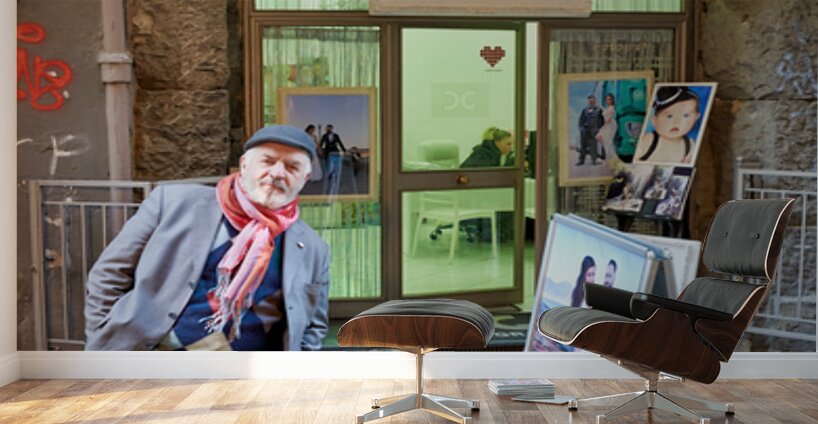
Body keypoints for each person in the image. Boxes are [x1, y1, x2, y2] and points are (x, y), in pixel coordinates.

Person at [84, 125, 330, 351]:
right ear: (244, 165)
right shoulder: (171, 202)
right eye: (268, 161)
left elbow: (313, 327)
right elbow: (108, 275)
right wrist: (103, 339)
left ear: (305, 178)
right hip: (151, 360)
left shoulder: (312, 247)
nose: (277, 173)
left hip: (246, 381)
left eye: (292, 167)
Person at [635, 86, 701, 164]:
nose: (677, 122)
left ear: (696, 117)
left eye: (686, 115)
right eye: (669, 116)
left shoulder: (690, 145)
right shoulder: (649, 140)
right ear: (654, 120)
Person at [576, 95, 604, 166]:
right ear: (588, 101)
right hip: (585, 130)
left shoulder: (598, 109)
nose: (591, 101)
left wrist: (599, 129)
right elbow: (581, 120)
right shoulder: (585, 109)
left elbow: (602, 120)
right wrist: (581, 128)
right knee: (583, 145)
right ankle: (581, 161)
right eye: (589, 100)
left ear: (595, 101)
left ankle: (594, 160)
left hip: (594, 129)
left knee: (593, 145)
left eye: (592, 100)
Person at [320, 124, 347, 194]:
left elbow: (340, 143)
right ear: (326, 129)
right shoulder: (324, 136)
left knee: (335, 165)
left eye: (330, 128)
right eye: (328, 128)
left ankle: (334, 176)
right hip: (327, 152)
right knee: (328, 165)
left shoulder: (336, 135)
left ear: (332, 129)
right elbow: (321, 144)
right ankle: (329, 175)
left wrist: (345, 151)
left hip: (335, 151)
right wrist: (321, 151)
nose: (329, 129)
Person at [595, 94, 618, 161]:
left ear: (612, 100)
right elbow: (605, 113)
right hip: (608, 125)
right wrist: (602, 108)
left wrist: (603, 127)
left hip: (610, 125)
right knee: (603, 140)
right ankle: (611, 157)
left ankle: (610, 158)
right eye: (607, 99)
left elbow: (608, 119)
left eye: (609, 99)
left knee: (606, 141)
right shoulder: (608, 108)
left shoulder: (611, 108)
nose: (608, 100)